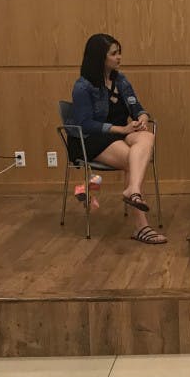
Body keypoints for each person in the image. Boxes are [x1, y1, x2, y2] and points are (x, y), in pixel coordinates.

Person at [71, 33, 167, 245]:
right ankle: (141, 226)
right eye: (114, 54)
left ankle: (132, 191)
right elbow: (85, 123)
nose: (119, 58)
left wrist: (142, 117)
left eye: (119, 52)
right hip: (93, 139)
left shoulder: (120, 80)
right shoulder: (83, 86)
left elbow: (137, 107)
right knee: (134, 162)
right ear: (100, 58)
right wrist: (121, 129)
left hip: (122, 134)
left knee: (146, 135)